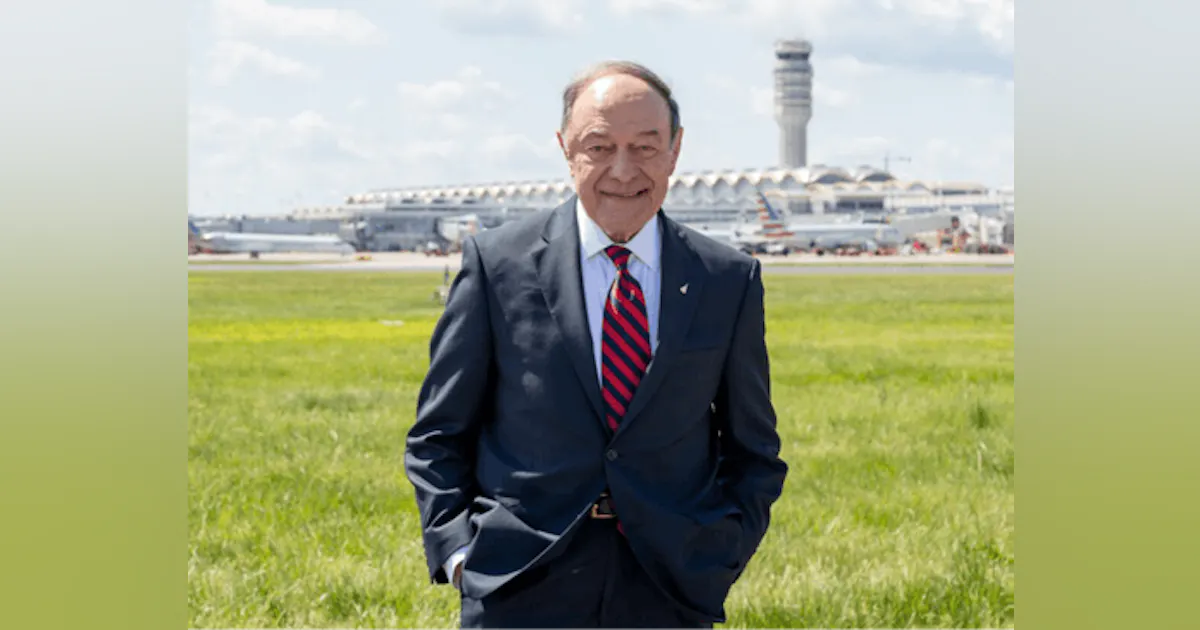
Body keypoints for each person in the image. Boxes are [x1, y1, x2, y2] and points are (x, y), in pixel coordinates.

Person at [404, 60, 788, 630]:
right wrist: (460, 554)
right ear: (565, 149)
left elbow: (753, 449)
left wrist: (719, 555)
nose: (622, 170)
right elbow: (438, 434)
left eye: (645, 147)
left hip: (667, 583)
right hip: (519, 579)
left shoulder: (726, 279)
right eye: (599, 146)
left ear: (676, 150)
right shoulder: (497, 265)